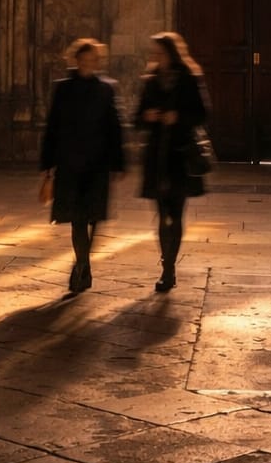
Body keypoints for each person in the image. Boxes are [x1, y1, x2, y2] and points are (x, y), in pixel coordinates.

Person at [39, 38, 125, 295]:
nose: (88, 64)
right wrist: (47, 164)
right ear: (76, 60)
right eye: (84, 60)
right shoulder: (63, 89)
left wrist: (118, 163)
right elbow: (52, 127)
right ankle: (83, 265)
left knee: (95, 217)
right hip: (70, 163)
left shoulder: (106, 89)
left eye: (93, 60)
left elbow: (114, 128)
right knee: (78, 220)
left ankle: (82, 264)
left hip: (97, 165)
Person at [135, 31, 210, 293]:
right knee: (161, 215)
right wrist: (149, 116)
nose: (155, 57)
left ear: (170, 53)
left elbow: (202, 114)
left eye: (159, 52)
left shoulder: (189, 78)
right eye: (154, 53)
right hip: (157, 157)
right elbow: (137, 120)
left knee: (175, 215)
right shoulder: (151, 81)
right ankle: (166, 263)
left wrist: (177, 117)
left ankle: (169, 269)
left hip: (179, 155)